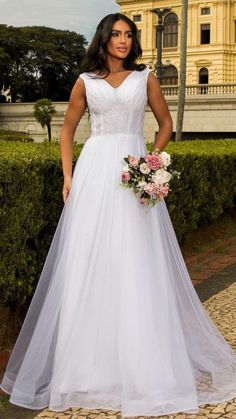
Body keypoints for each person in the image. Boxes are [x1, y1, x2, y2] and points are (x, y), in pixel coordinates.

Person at [1, 12, 236, 419]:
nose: (123, 41)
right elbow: (68, 130)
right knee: (88, 260)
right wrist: (68, 176)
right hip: (93, 172)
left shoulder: (145, 78)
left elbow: (165, 124)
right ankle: (85, 369)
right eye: (116, 35)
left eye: (129, 35)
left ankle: (142, 363)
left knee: (136, 262)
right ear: (104, 39)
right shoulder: (85, 82)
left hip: (132, 174)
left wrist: (150, 162)